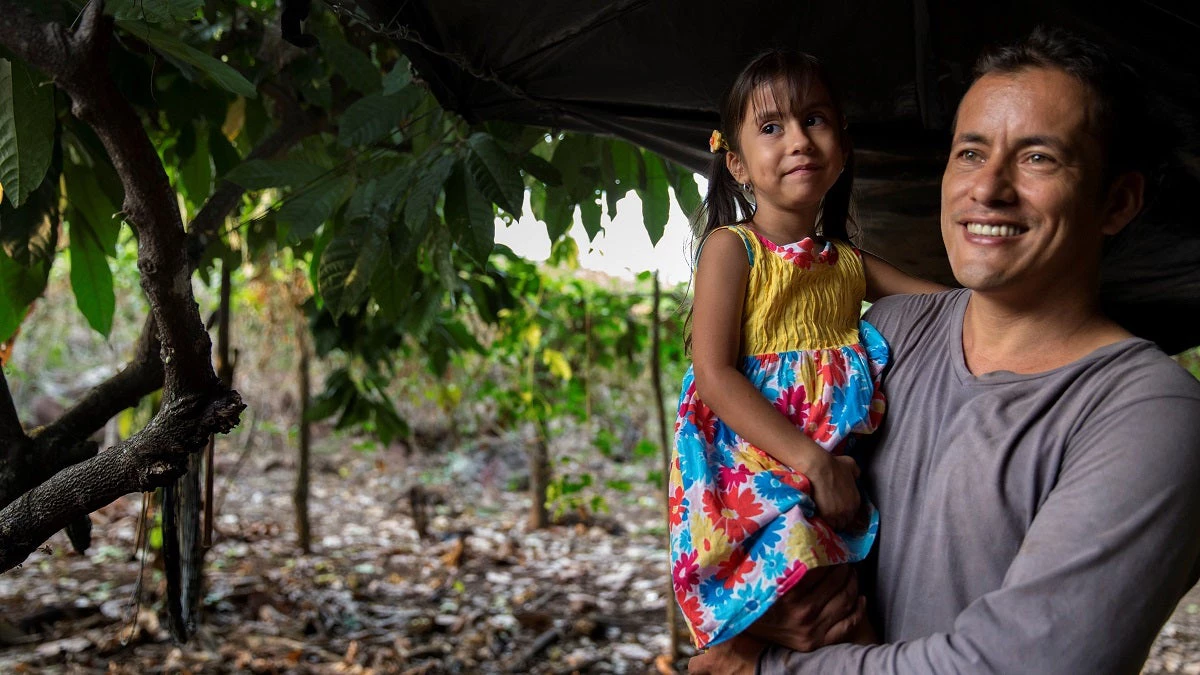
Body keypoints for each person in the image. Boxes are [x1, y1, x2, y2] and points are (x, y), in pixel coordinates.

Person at [689, 27, 1200, 674]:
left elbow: (1014, 664)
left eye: (1038, 157)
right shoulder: (891, 338)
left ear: (1118, 201)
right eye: (970, 153)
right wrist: (758, 614)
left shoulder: (1148, 416)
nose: (987, 188)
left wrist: (756, 666)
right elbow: (732, 448)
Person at [670, 50, 944, 650]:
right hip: (755, 468)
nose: (798, 140)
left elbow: (948, 305)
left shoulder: (844, 264)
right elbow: (714, 376)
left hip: (833, 474)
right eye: (772, 127)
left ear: (842, 149)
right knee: (812, 620)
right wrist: (812, 463)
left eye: (814, 120)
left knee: (849, 623)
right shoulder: (732, 250)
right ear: (737, 163)